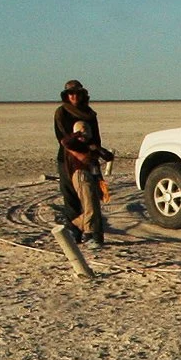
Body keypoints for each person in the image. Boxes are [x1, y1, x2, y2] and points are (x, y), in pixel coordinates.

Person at [53, 80, 101, 226]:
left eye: (76, 93)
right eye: (70, 94)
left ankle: (93, 233)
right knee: (70, 197)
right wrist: (78, 155)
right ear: (66, 96)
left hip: (88, 160)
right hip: (67, 160)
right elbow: (62, 138)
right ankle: (75, 232)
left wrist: (97, 153)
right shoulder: (61, 112)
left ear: (82, 94)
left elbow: (96, 138)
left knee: (92, 196)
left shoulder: (89, 114)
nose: (74, 96)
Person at [60, 120, 112, 247]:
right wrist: (78, 134)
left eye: (87, 131)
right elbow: (65, 141)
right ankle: (89, 235)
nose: (85, 134)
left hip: (93, 176)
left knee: (94, 207)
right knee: (89, 205)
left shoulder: (90, 145)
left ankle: (74, 224)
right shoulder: (74, 145)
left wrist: (97, 148)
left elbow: (109, 157)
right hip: (81, 175)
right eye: (82, 131)